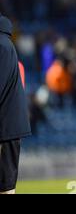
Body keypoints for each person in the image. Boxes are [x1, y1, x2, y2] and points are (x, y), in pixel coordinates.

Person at [0, 14, 31, 194]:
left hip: (5, 128)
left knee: (5, 187)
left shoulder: (2, 46)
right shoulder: (5, 44)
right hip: (8, 125)